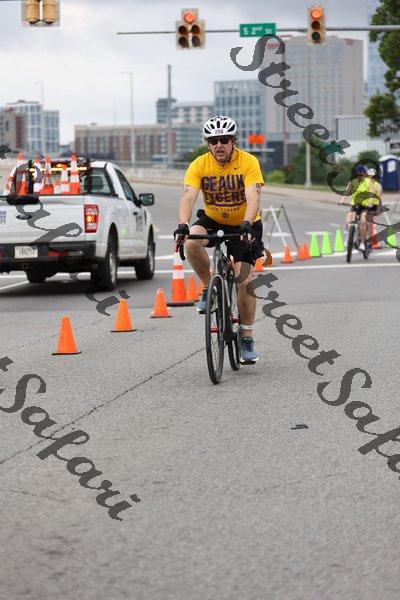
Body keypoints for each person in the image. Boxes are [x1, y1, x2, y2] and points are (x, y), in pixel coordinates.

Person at [173, 116, 265, 365]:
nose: (219, 145)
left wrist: (247, 223)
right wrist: (183, 225)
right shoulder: (199, 164)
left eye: (224, 140)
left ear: (233, 141)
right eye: (213, 141)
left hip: (245, 223)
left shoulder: (248, 161)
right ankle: (209, 288)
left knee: (244, 279)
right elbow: (188, 196)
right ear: (208, 144)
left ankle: (247, 337)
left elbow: (253, 196)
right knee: (191, 241)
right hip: (213, 218)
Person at [340, 164, 380, 251]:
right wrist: (342, 200)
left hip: (365, 205)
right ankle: (349, 237)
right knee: (348, 221)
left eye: (361, 174)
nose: (360, 176)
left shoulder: (368, 182)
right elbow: (346, 192)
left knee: (362, 222)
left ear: (364, 174)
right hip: (355, 204)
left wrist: (370, 202)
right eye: (358, 174)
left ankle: (362, 242)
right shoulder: (352, 182)